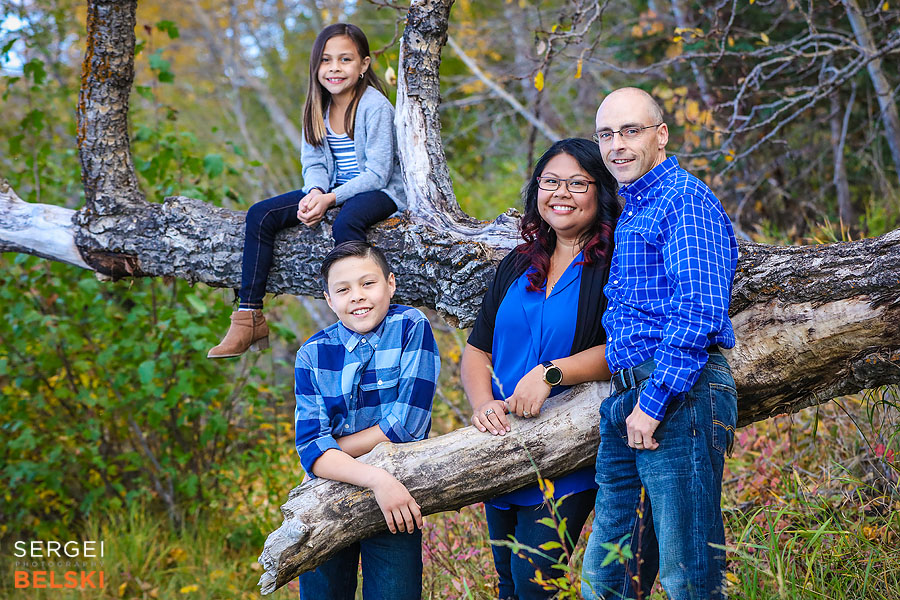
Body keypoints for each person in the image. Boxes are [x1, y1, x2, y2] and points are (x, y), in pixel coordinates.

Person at [580, 88, 739, 600]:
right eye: (607, 134)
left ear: (661, 135)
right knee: (607, 578)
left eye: (631, 130)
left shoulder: (682, 200)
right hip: (629, 397)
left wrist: (652, 403)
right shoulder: (635, 208)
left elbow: (698, 311)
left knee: (688, 576)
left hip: (678, 397)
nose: (617, 145)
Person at [461, 139, 620, 600]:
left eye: (577, 183)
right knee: (508, 584)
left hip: (569, 447)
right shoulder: (516, 263)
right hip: (504, 443)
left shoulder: (614, 263)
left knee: (535, 584)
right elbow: (476, 351)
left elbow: (625, 351)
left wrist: (551, 372)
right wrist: (483, 403)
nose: (561, 193)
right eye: (550, 182)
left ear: (600, 190)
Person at [208, 23, 405, 359]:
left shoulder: (374, 106)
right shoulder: (317, 107)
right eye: (326, 60)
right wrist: (315, 191)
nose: (335, 68)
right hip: (333, 189)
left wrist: (329, 199)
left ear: (365, 65)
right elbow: (313, 161)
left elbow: (377, 173)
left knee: (347, 223)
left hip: (382, 191)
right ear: (316, 67)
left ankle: (361, 309)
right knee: (261, 215)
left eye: (345, 59)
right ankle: (248, 317)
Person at [293, 241, 440, 600]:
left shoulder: (410, 327)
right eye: (343, 290)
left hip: (397, 495)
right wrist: (373, 477)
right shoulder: (313, 354)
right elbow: (310, 443)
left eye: (368, 283)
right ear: (329, 300)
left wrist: (331, 451)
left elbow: (406, 426)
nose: (357, 297)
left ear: (390, 284)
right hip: (329, 493)